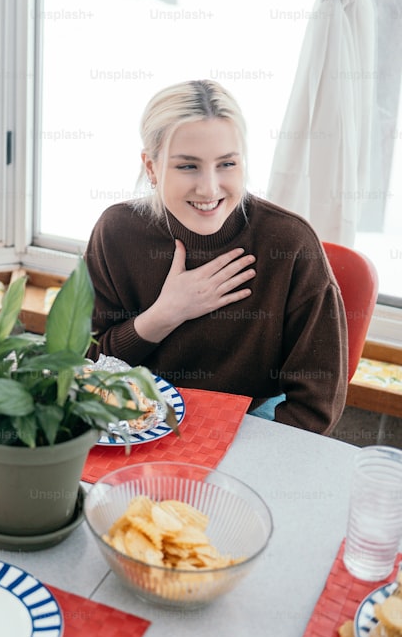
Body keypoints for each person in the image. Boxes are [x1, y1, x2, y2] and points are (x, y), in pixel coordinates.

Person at [84, 79, 348, 434]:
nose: (209, 188)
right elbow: (86, 366)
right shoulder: (116, 232)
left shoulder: (290, 243)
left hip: (252, 428)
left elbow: (317, 405)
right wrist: (165, 314)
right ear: (151, 168)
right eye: (187, 166)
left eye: (226, 164)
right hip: (136, 423)